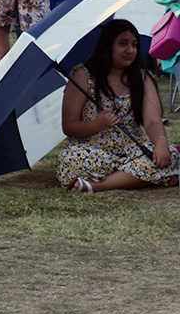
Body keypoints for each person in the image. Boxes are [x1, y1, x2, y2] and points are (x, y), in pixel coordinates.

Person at [57, 20, 180, 192]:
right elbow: (68, 126)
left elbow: (152, 121)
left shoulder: (142, 78)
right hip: (92, 150)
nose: (130, 50)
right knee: (70, 158)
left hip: (132, 149)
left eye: (134, 45)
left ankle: (96, 184)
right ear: (107, 46)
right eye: (123, 44)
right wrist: (96, 125)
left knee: (171, 154)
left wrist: (160, 143)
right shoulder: (83, 76)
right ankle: (141, 177)